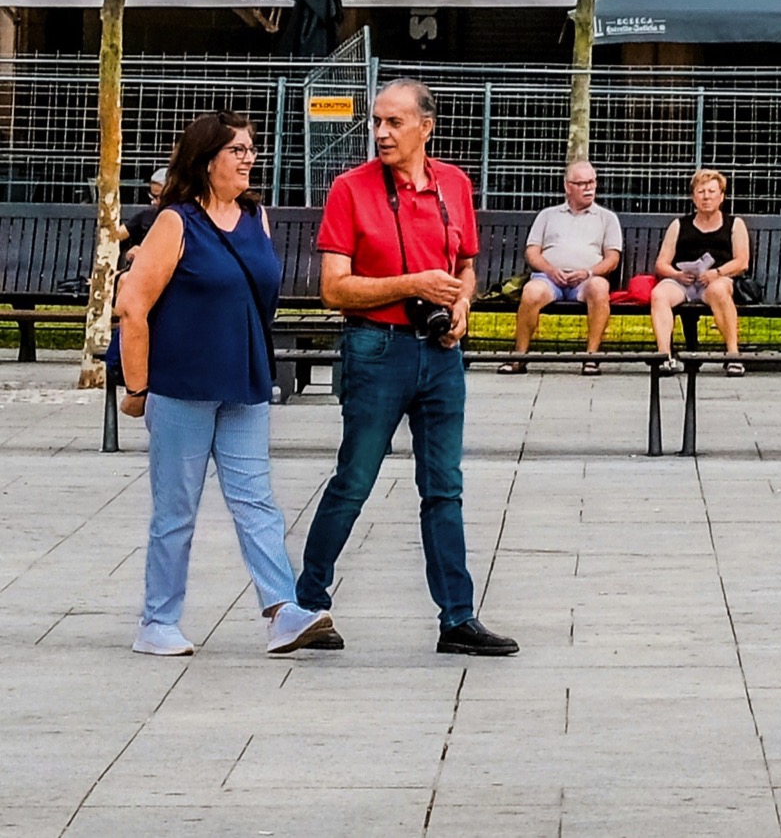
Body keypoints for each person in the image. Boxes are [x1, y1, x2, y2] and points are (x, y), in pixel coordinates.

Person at [292, 76, 514, 657]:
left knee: (445, 487)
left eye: (394, 122)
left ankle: (458, 619)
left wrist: (461, 302)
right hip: (376, 348)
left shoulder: (455, 185)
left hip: (441, 353)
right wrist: (412, 283)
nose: (382, 133)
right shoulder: (350, 188)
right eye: (376, 121)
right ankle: (308, 603)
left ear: (426, 126)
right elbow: (334, 289)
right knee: (354, 480)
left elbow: (464, 267)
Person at [114, 111, 325, 657]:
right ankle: (157, 622)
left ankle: (283, 610)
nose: (249, 158)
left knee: (257, 501)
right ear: (207, 161)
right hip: (182, 383)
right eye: (237, 150)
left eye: (251, 149)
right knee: (176, 508)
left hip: (244, 379)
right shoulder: (174, 222)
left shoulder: (257, 218)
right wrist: (136, 389)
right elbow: (133, 306)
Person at [510, 160, 632, 372]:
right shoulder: (547, 215)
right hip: (549, 278)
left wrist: (588, 272)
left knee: (600, 288)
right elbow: (532, 252)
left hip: (587, 279)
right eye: (582, 183)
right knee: (530, 292)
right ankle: (519, 358)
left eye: (592, 182)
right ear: (568, 186)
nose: (589, 188)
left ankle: (591, 358)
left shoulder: (607, 218)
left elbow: (612, 258)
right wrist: (550, 270)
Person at [649, 167, 749, 369]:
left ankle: (732, 355)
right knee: (659, 294)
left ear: (721, 197)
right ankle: (664, 357)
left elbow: (742, 262)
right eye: (701, 192)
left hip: (717, 279)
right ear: (693, 198)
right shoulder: (679, 225)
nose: (706, 197)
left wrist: (717, 273)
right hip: (684, 281)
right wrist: (677, 274)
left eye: (712, 192)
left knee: (719, 291)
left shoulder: (734, 224)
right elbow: (661, 264)